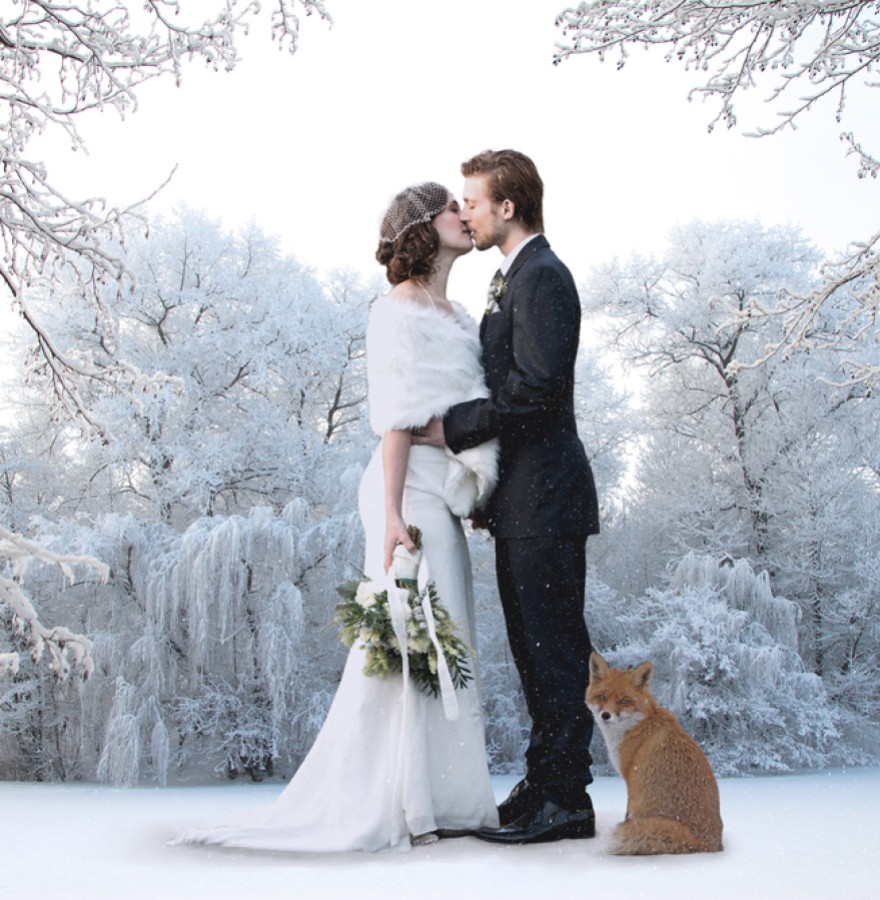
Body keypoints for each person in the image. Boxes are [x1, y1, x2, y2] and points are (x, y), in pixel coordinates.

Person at [177, 183, 499, 852]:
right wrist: (391, 515)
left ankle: (445, 797)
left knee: (448, 636)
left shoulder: (459, 314)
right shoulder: (397, 309)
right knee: (412, 635)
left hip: (443, 489)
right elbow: (395, 418)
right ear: (422, 226)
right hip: (404, 487)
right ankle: (407, 801)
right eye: (450, 208)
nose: (464, 215)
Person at [414, 150, 600, 844]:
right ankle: (543, 784)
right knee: (532, 652)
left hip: (547, 498)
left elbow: (537, 391)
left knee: (555, 653)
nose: (464, 212)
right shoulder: (514, 277)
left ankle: (567, 799)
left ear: (507, 206)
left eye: (472, 200)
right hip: (524, 502)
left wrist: (452, 427)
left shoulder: (543, 275)